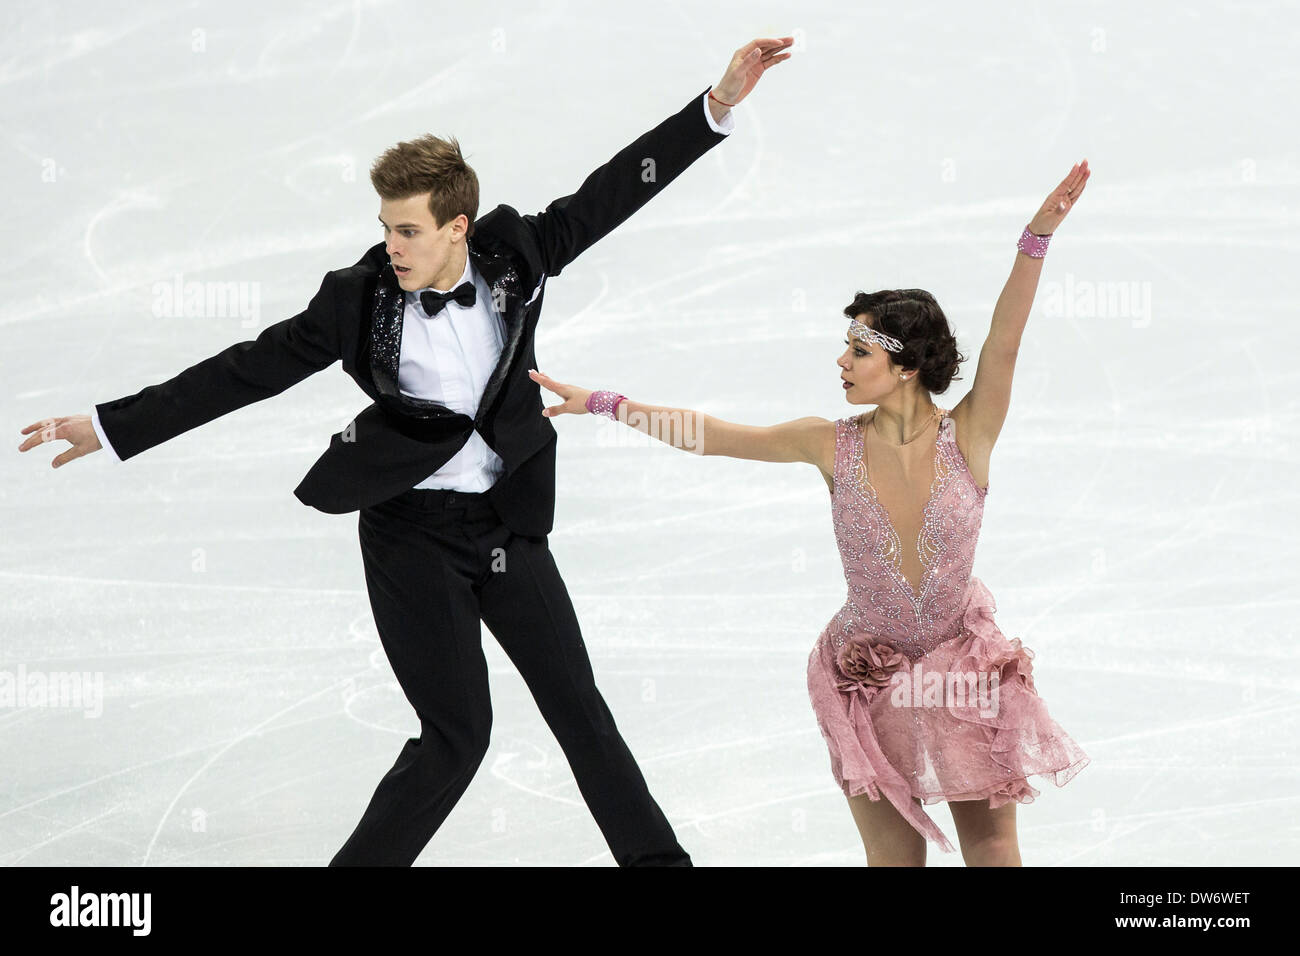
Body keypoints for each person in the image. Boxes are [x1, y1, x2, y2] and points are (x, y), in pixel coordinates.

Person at [18, 37, 795, 866]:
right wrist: (110, 425)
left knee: (580, 710)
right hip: (410, 535)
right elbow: (247, 370)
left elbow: (609, 195)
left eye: (409, 230)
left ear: (458, 227)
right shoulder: (357, 300)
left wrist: (715, 105)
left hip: (505, 524)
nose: (392, 245)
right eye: (386, 228)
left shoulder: (516, 256)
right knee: (457, 738)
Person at [528, 160, 1094, 866]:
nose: (842, 361)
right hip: (867, 679)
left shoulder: (970, 436)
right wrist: (607, 404)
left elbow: (1005, 341)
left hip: (959, 675)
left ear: (907, 365)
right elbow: (712, 437)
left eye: (859, 350)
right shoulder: (830, 444)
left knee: (997, 862)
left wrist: (1035, 239)